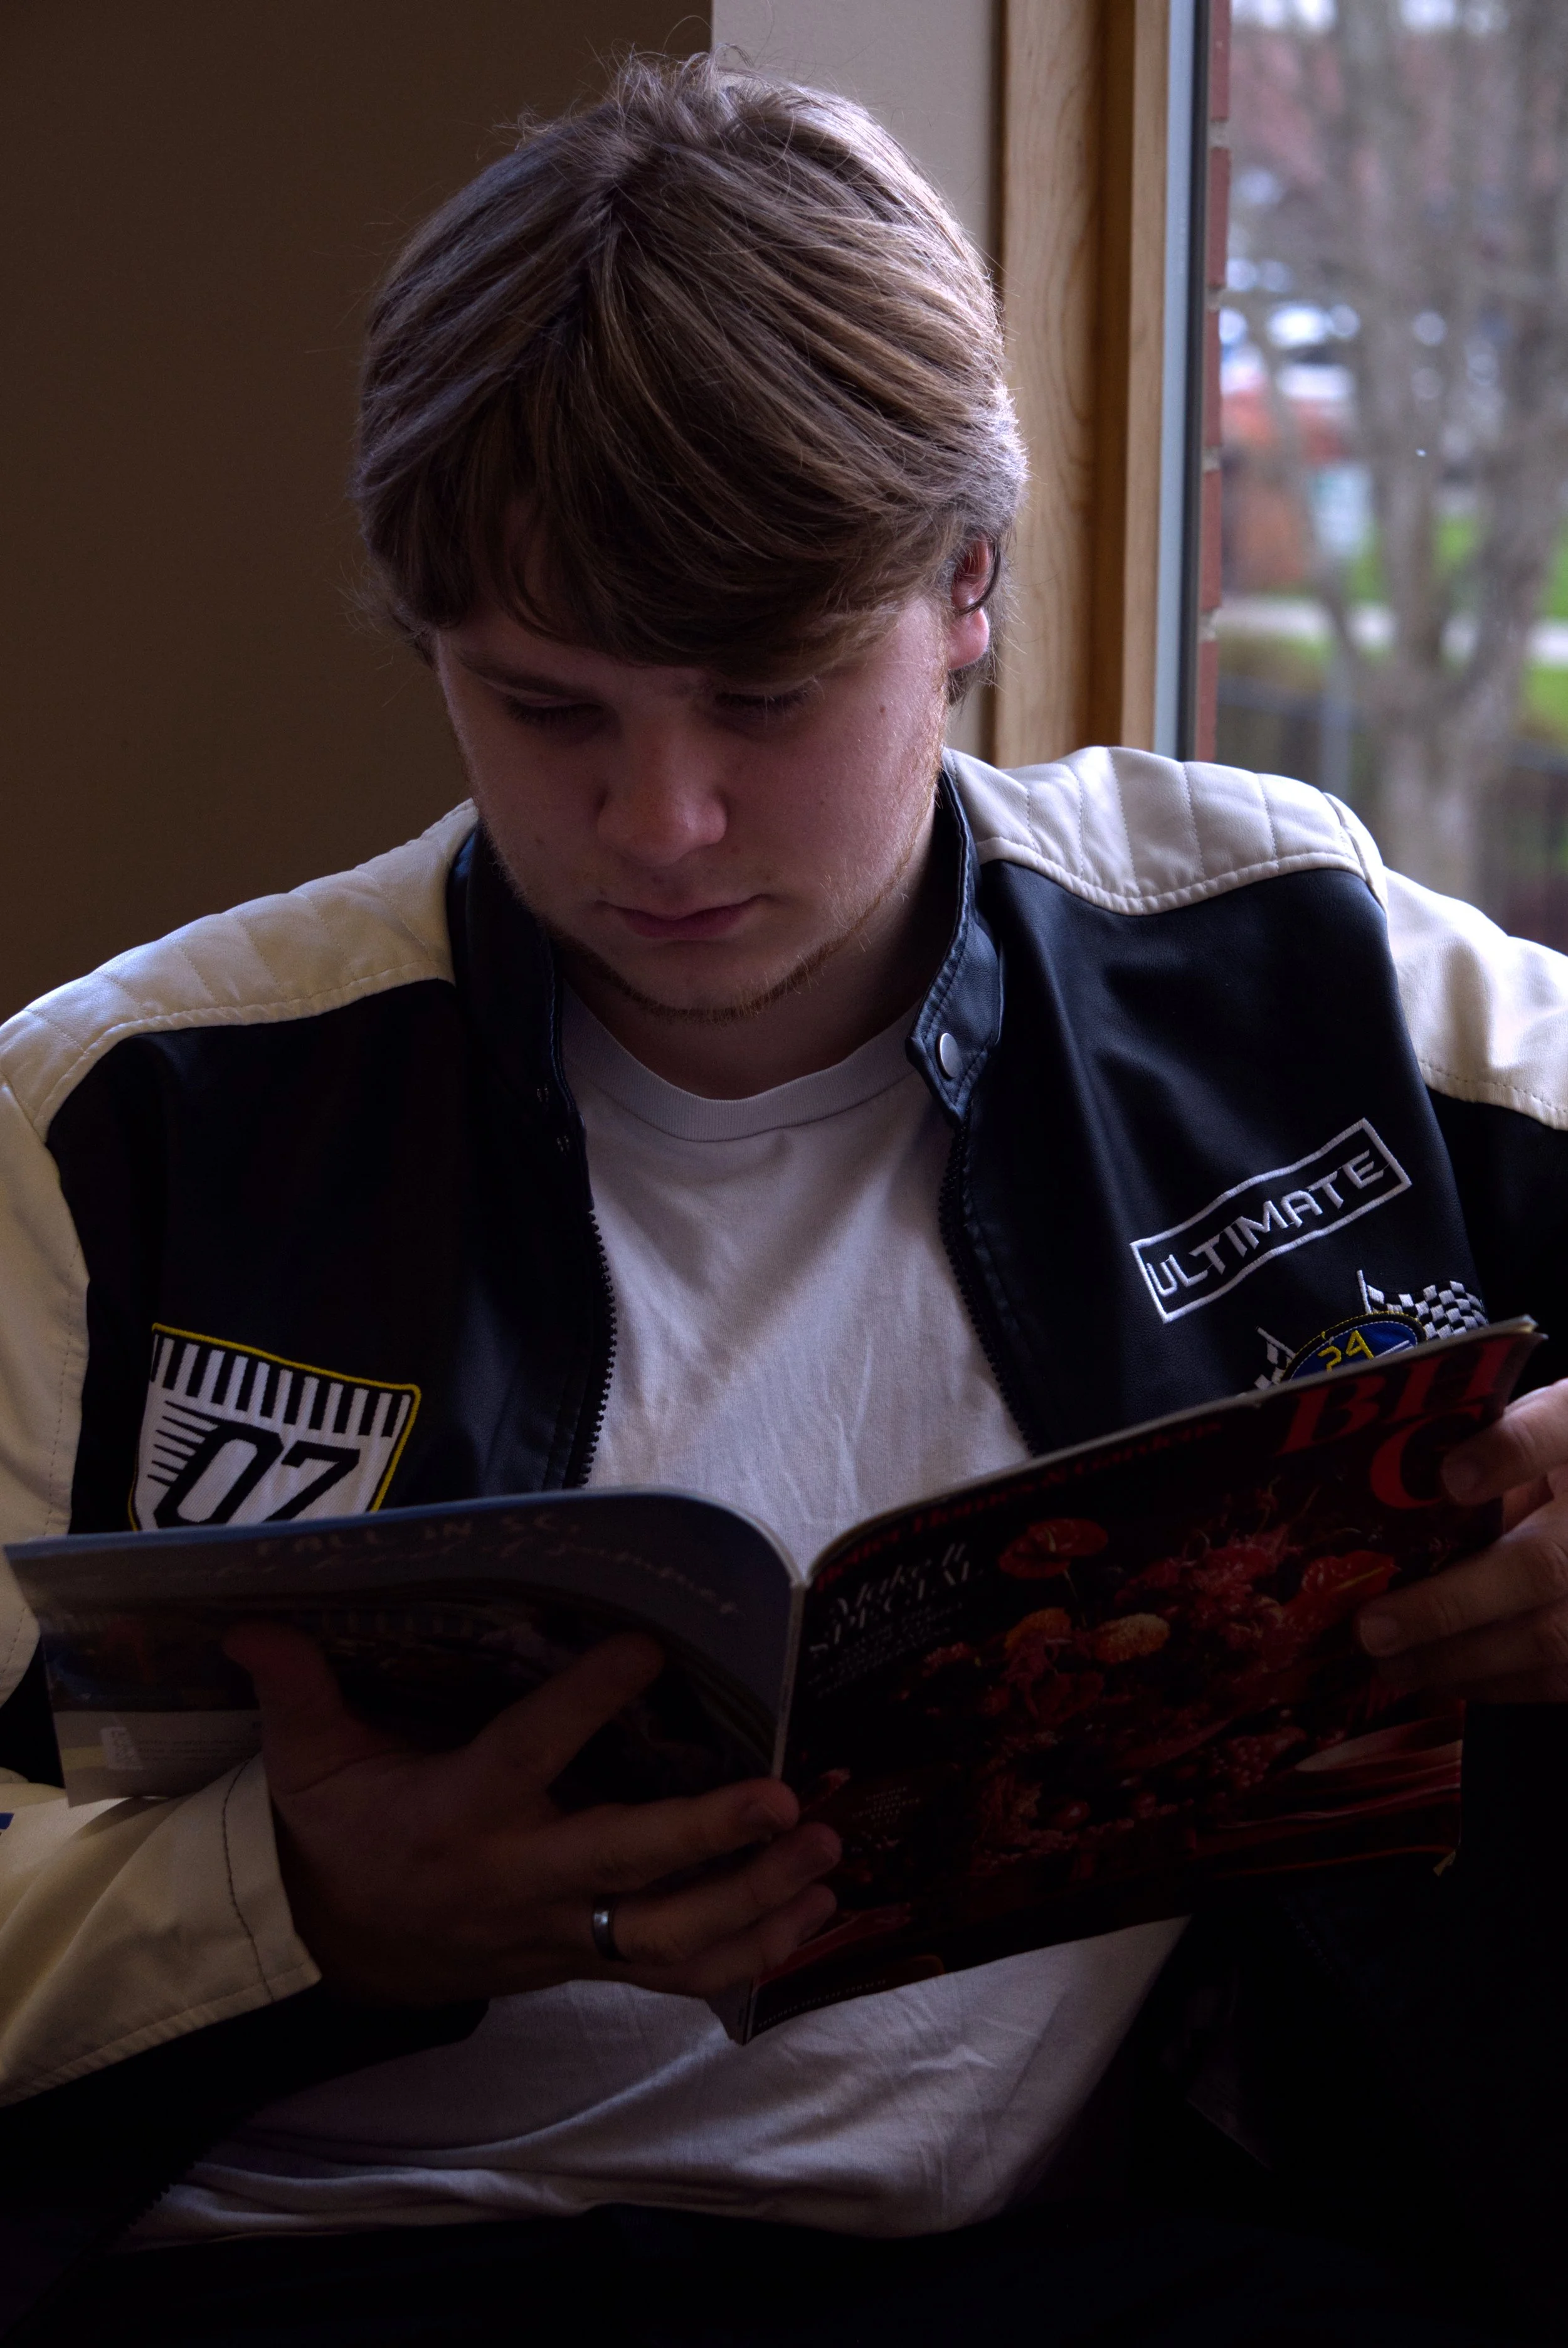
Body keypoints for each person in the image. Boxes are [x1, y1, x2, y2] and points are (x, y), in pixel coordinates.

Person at [1, 53, 1565, 2348]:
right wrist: (291, 1901)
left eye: (761, 695)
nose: (664, 827)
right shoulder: (124, 1123)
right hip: (284, 2285)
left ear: (964, 591)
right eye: (546, 709)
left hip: (1062, 2278)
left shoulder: (1279, 977)